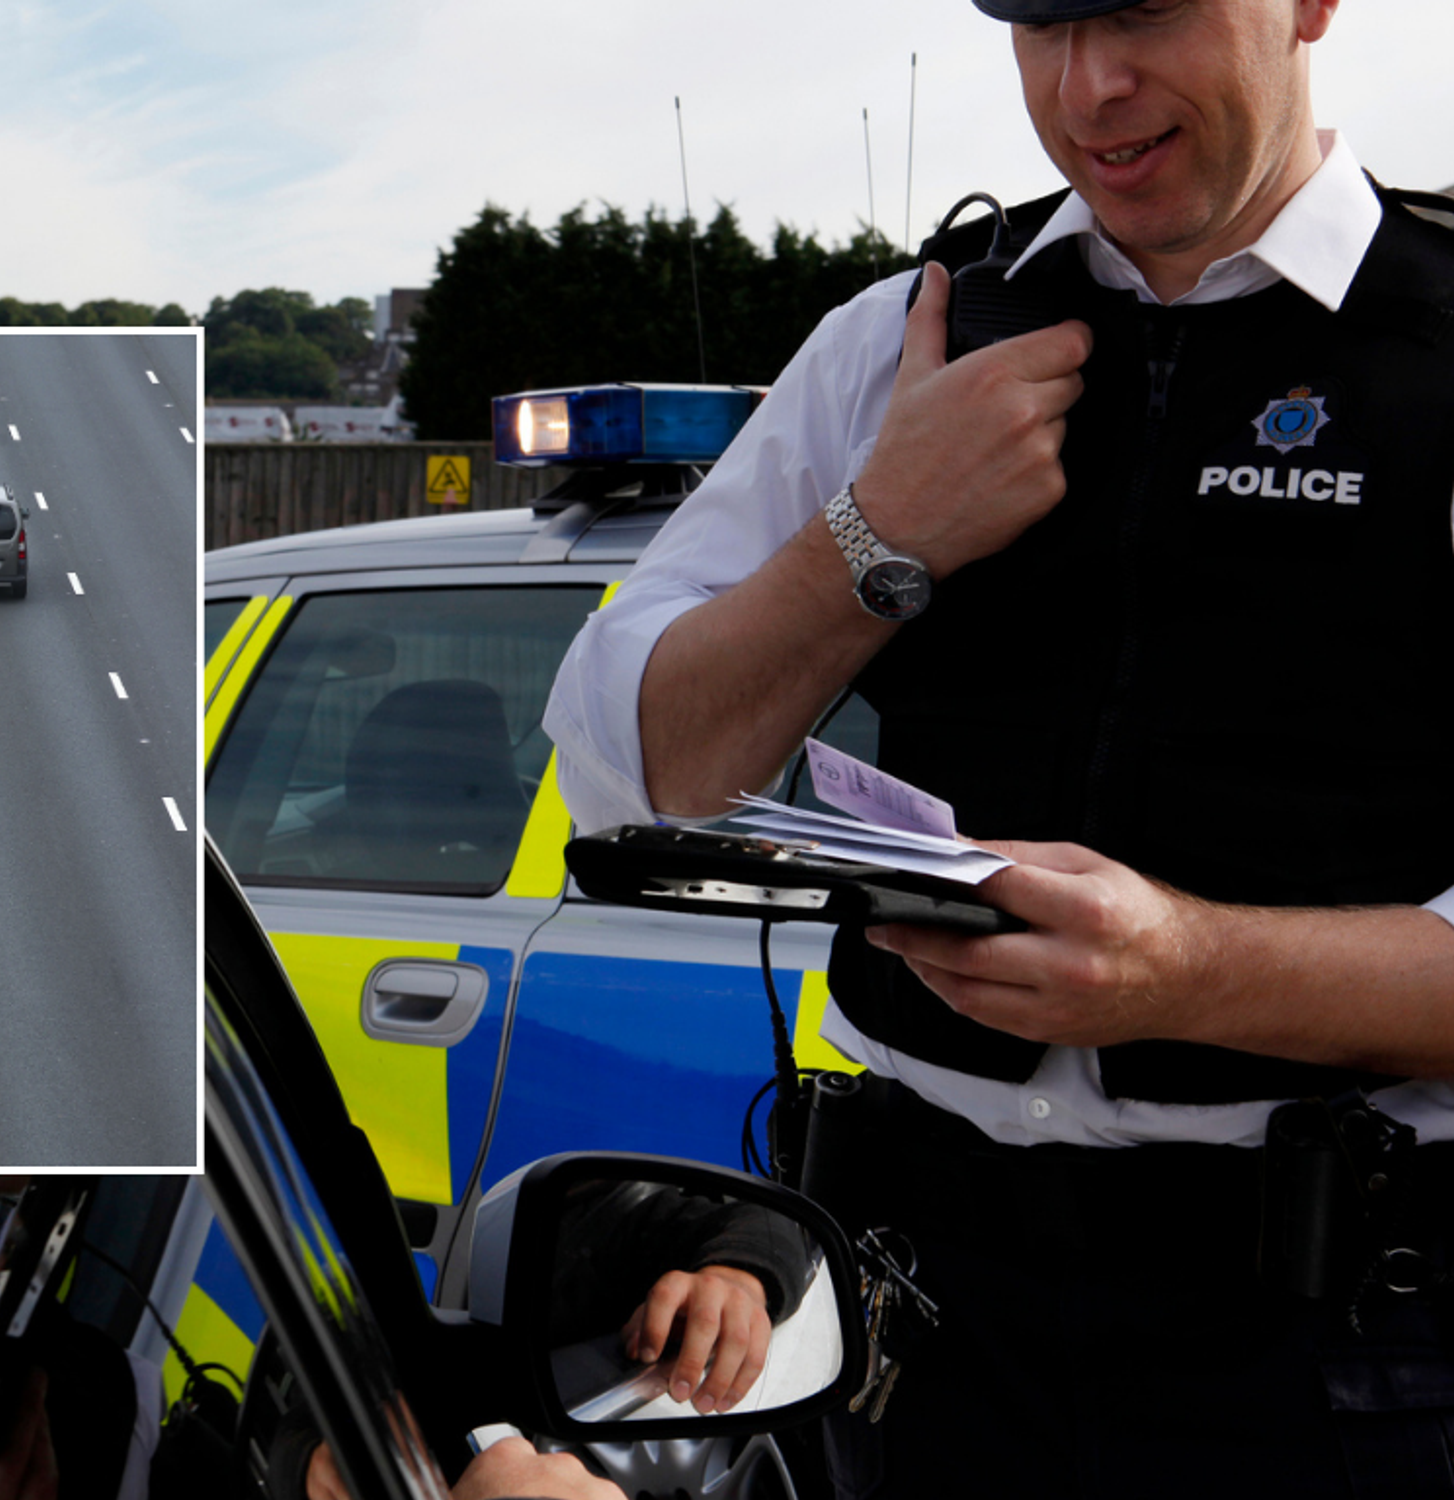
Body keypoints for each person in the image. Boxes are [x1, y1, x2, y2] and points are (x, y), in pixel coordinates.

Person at [542, 1, 1454, 1494]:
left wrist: (1195, 969)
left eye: (1147, 11)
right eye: (1041, 24)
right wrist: (873, 537)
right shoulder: (907, 337)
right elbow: (631, 777)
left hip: (1341, 1357)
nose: (1089, 87)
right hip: (914, 1324)